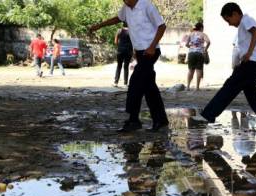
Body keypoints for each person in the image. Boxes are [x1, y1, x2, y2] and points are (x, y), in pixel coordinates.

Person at [194, 3, 256, 133]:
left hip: (251, 63)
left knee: (229, 88)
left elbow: (255, 33)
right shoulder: (243, 24)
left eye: (228, 20)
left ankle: (208, 115)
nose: (229, 24)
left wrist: (249, 53)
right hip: (252, 64)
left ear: (235, 14)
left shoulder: (246, 20)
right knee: (251, 94)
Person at [89, 0, 169, 132]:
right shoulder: (126, 8)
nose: (124, 1)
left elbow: (162, 26)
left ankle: (134, 120)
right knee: (149, 87)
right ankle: (160, 120)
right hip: (140, 52)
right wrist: (99, 25)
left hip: (150, 51)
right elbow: (117, 19)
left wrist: (152, 46)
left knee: (134, 84)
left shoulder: (147, 5)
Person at [185, 22, 210, 91]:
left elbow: (186, 44)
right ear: (201, 28)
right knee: (199, 70)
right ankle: (197, 87)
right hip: (200, 53)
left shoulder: (191, 34)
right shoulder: (203, 34)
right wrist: (205, 49)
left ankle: (188, 86)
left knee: (190, 70)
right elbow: (208, 42)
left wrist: (192, 46)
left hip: (191, 53)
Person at [114, 22, 133, 86]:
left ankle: (116, 82)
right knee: (126, 67)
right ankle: (125, 83)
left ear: (123, 24)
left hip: (120, 51)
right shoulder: (132, 31)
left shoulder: (119, 31)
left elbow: (115, 42)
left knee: (119, 66)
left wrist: (119, 47)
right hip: (129, 51)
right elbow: (134, 41)